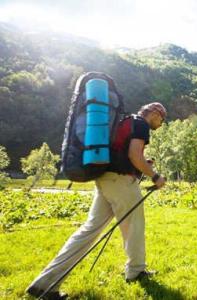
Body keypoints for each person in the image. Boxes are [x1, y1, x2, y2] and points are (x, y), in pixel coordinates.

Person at [26, 102, 168, 299]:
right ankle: (136, 272)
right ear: (153, 113)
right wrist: (155, 176)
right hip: (121, 182)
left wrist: (142, 164)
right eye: (162, 118)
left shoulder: (123, 121)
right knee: (134, 227)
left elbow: (125, 153)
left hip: (104, 179)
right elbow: (134, 155)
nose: (161, 123)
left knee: (88, 231)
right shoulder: (141, 124)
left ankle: (44, 283)